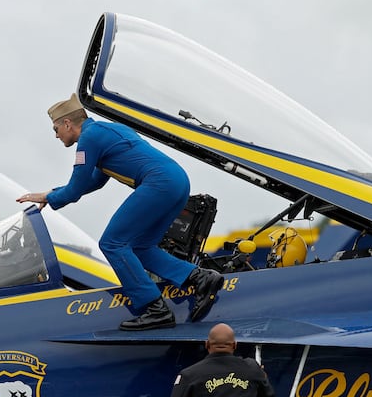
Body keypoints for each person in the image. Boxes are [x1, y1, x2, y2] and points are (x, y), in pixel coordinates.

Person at [16, 93, 224, 331]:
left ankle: (154, 308)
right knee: (140, 247)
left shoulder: (89, 139)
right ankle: (201, 278)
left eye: (56, 128)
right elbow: (93, 181)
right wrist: (53, 193)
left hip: (158, 183)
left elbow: (75, 190)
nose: (55, 135)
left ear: (67, 123)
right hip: (177, 182)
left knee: (112, 243)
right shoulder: (105, 131)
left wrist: (48, 196)